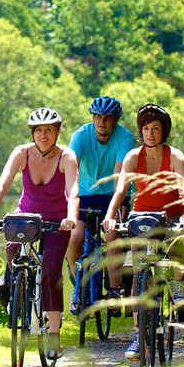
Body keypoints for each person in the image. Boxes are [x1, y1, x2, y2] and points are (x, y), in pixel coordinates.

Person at [0, 107, 80, 358]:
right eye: (38, 131)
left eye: (48, 130)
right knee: (12, 250)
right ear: (32, 133)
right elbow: (3, 182)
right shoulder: (21, 153)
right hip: (26, 215)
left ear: (56, 132)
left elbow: (73, 191)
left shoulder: (66, 156)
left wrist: (71, 218)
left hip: (56, 220)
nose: (43, 136)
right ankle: (12, 286)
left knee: (51, 272)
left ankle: (53, 336)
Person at [102, 103, 184, 363]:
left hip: (172, 212)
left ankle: (177, 283)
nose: (150, 133)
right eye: (146, 129)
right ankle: (138, 335)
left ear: (163, 131)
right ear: (141, 131)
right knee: (138, 276)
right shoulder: (134, 157)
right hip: (142, 216)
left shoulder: (175, 156)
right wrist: (110, 217)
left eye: (155, 129)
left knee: (177, 238)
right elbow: (121, 191)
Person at [66, 95, 133, 294]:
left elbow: (119, 176)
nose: (101, 122)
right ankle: (76, 277)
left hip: (112, 196)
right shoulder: (81, 135)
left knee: (113, 235)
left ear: (115, 120)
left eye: (107, 118)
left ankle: (114, 288)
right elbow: (72, 170)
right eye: (97, 117)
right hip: (83, 194)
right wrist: (70, 202)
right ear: (93, 118)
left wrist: (118, 207)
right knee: (75, 236)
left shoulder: (124, 137)